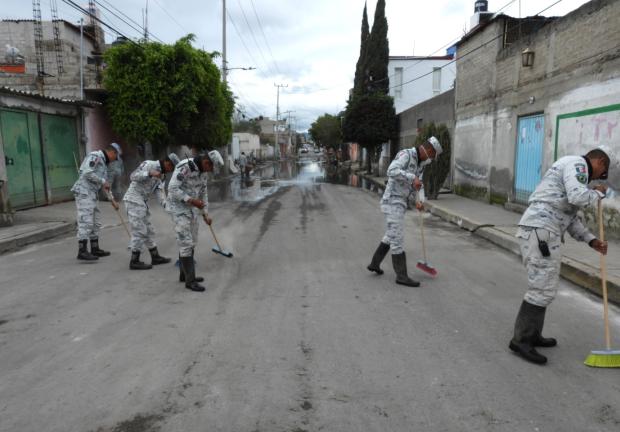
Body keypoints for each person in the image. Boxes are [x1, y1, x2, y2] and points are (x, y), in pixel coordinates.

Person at [509, 147, 612, 364]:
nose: (596, 178)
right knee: (541, 287)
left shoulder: (571, 169)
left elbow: (569, 216)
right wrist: (598, 192)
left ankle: (533, 334)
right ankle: (521, 340)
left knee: (544, 285)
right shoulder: (579, 165)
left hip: (542, 229)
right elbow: (578, 197)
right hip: (541, 231)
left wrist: (591, 240)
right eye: (601, 172)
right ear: (600, 161)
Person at [367, 137, 443, 287]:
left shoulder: (421, 165)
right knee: (397, 239)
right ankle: (401, 276)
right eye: (433, 156)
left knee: (391, 235)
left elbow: (418, 186)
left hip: (401, 203)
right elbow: (391, 170)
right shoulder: (406, 155)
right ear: (428, 150)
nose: (432, 159)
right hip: (392, 201)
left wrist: (419, 201)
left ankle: (374, 264)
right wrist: (411, 177)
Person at [167, 150, 224, 292]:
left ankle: (184, 275)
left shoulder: (203, 173)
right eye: (210, 168)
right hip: (179, 208)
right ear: (206, 162)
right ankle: (190, 281)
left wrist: (205, 213)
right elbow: (172, 188)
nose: (209, 171)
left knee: (192, 241)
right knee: (186, 242)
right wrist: (191, 200)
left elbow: (203, 193)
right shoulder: (185, 167)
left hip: (192, 209)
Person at [123, 153, 180, 270]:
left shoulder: (162, 176)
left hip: (142, 202)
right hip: (133, 199)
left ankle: (155, 256)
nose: (171, 171)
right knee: (140, 230)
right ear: (167, 163)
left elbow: (160, 193)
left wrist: (168, 207)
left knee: (149, 230)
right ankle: (134, 261)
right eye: (172, 168)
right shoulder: (149, 164)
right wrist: (149, 173)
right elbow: (133, 176)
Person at [71, 145, 119, 261]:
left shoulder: (104, 163)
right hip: (84, 192)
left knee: (96, 222)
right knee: (85, 221)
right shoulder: (95, 156)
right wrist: (102, 181)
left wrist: (112, 200)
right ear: (112, 152)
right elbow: (87, 172)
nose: (114, 160)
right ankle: (82, 251)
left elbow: (106, 185)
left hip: (92, 194)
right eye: (115, 157)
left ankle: (94, 248)